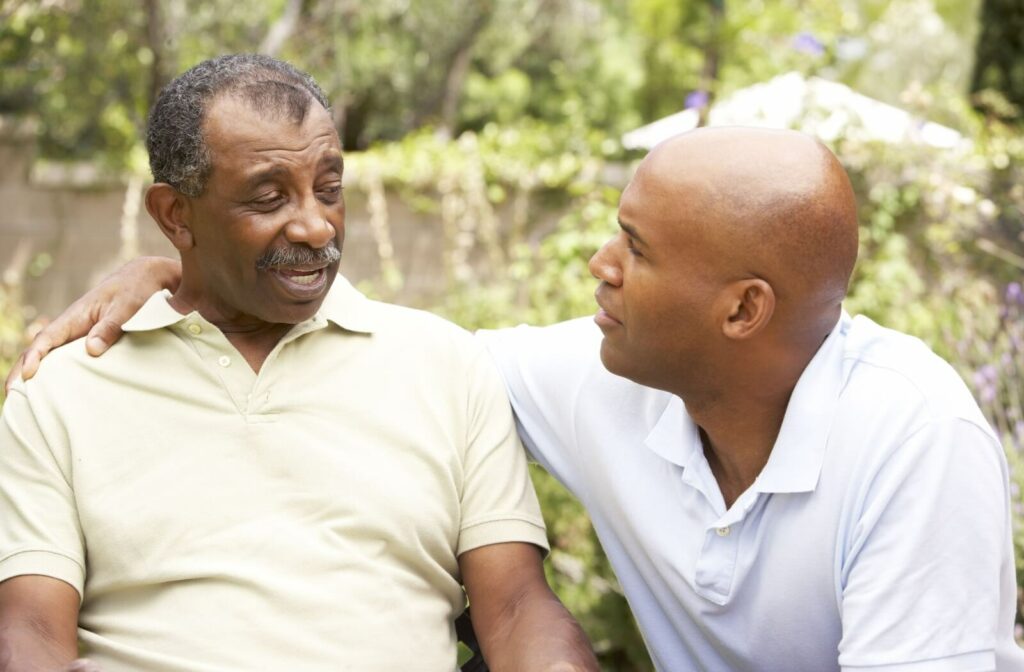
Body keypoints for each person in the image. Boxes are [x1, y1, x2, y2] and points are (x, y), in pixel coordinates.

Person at [7, 124, 1022, 671]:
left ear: (742, 310)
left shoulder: (913, 440)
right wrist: (180, 272)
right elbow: (384, 348)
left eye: (636, 248)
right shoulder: (603, 374)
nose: (599, 264)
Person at [0, 54, 598, 672]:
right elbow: (32, 632)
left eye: (330, 190)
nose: (316, 226)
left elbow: (516, 607)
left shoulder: (448, 366)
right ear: (176, 215)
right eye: (269, 198)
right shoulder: (62, 392)